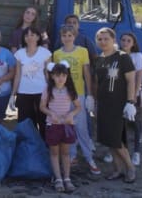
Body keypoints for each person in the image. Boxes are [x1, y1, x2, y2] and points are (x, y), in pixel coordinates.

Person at [53, 25, 101, 175]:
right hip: (63, 95)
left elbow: (86, 73)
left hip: (78, 93)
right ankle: (72, 155)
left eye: (70, 35)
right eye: (64, 36)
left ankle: (89, 158)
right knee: (68, 126)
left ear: (74, 36)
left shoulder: (82, 51)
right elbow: (56, 76)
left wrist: (90, 95)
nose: (67, 38)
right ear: (61, 38)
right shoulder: (57, 54)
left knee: (81, 128)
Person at [94, 27, 137, 183]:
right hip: (104, 104)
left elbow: (131, 80)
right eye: (100, 39)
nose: (103, 42)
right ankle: (118, 169)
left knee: (116, 139)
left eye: (106, 38)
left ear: (113, 40)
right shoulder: (99, 59)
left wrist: (131, 102)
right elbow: (98, 83)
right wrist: (93, 100)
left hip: (118, 104)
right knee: (107, 139)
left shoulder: (122, 57)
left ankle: (130, 168)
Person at [39, 61, 81, 193]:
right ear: (52, 76)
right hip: (53, 125)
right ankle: (58, 179)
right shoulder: (47, 90)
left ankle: (67, 178)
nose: (61, 78)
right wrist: (51, 113)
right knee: (54, 153)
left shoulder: (70, 90)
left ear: (67, 76)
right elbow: (42, 107)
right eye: (57, 75)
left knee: (66, 153)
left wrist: (71, 114)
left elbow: (78, 107)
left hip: (66, 126)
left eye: (63, 75)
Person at [11, 26, 51, 139]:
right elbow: (17, 75)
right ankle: (28, 150)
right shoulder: (19, 54)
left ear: (38, 37)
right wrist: (13, 94)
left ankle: (44, 149)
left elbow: (48, 74)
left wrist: (51, 91)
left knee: (43, 121)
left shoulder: (46, 53)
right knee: (26, 124)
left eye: (32, 35)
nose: (29, 37)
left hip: (41, 92)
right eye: (26, 35)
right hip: (23, 93)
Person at [120, 32, 142, 166]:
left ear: (133, 43)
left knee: (136, 123)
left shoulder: (137, 56)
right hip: (119, 94)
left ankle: (136, 152)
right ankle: (119, 149)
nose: (125, 43)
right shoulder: (117, 55)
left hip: (134, 94)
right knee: (119, 123)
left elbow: (139, 76)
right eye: (123, 40)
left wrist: (134, 95)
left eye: (128, 41)